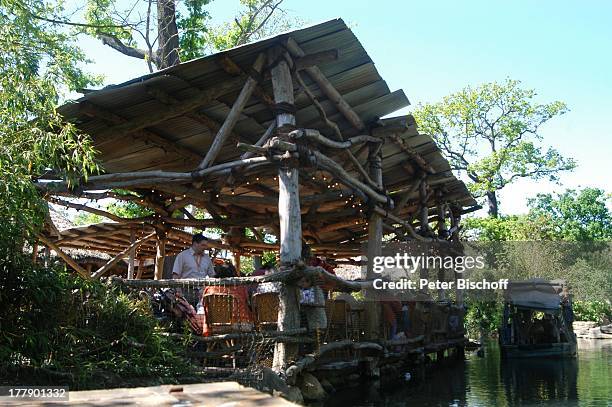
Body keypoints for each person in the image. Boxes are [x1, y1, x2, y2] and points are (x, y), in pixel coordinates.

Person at [172, 233, 215, 308]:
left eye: (206, 245)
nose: (205, 247)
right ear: (195, 244)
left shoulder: (207, 258)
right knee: (186, 317)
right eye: (203, 245)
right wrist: (179, 293)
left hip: (203, 293)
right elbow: (175, 275)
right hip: (186, 291)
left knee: (201, 317)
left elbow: (212, 275)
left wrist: (210, 291)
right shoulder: (182, 256)